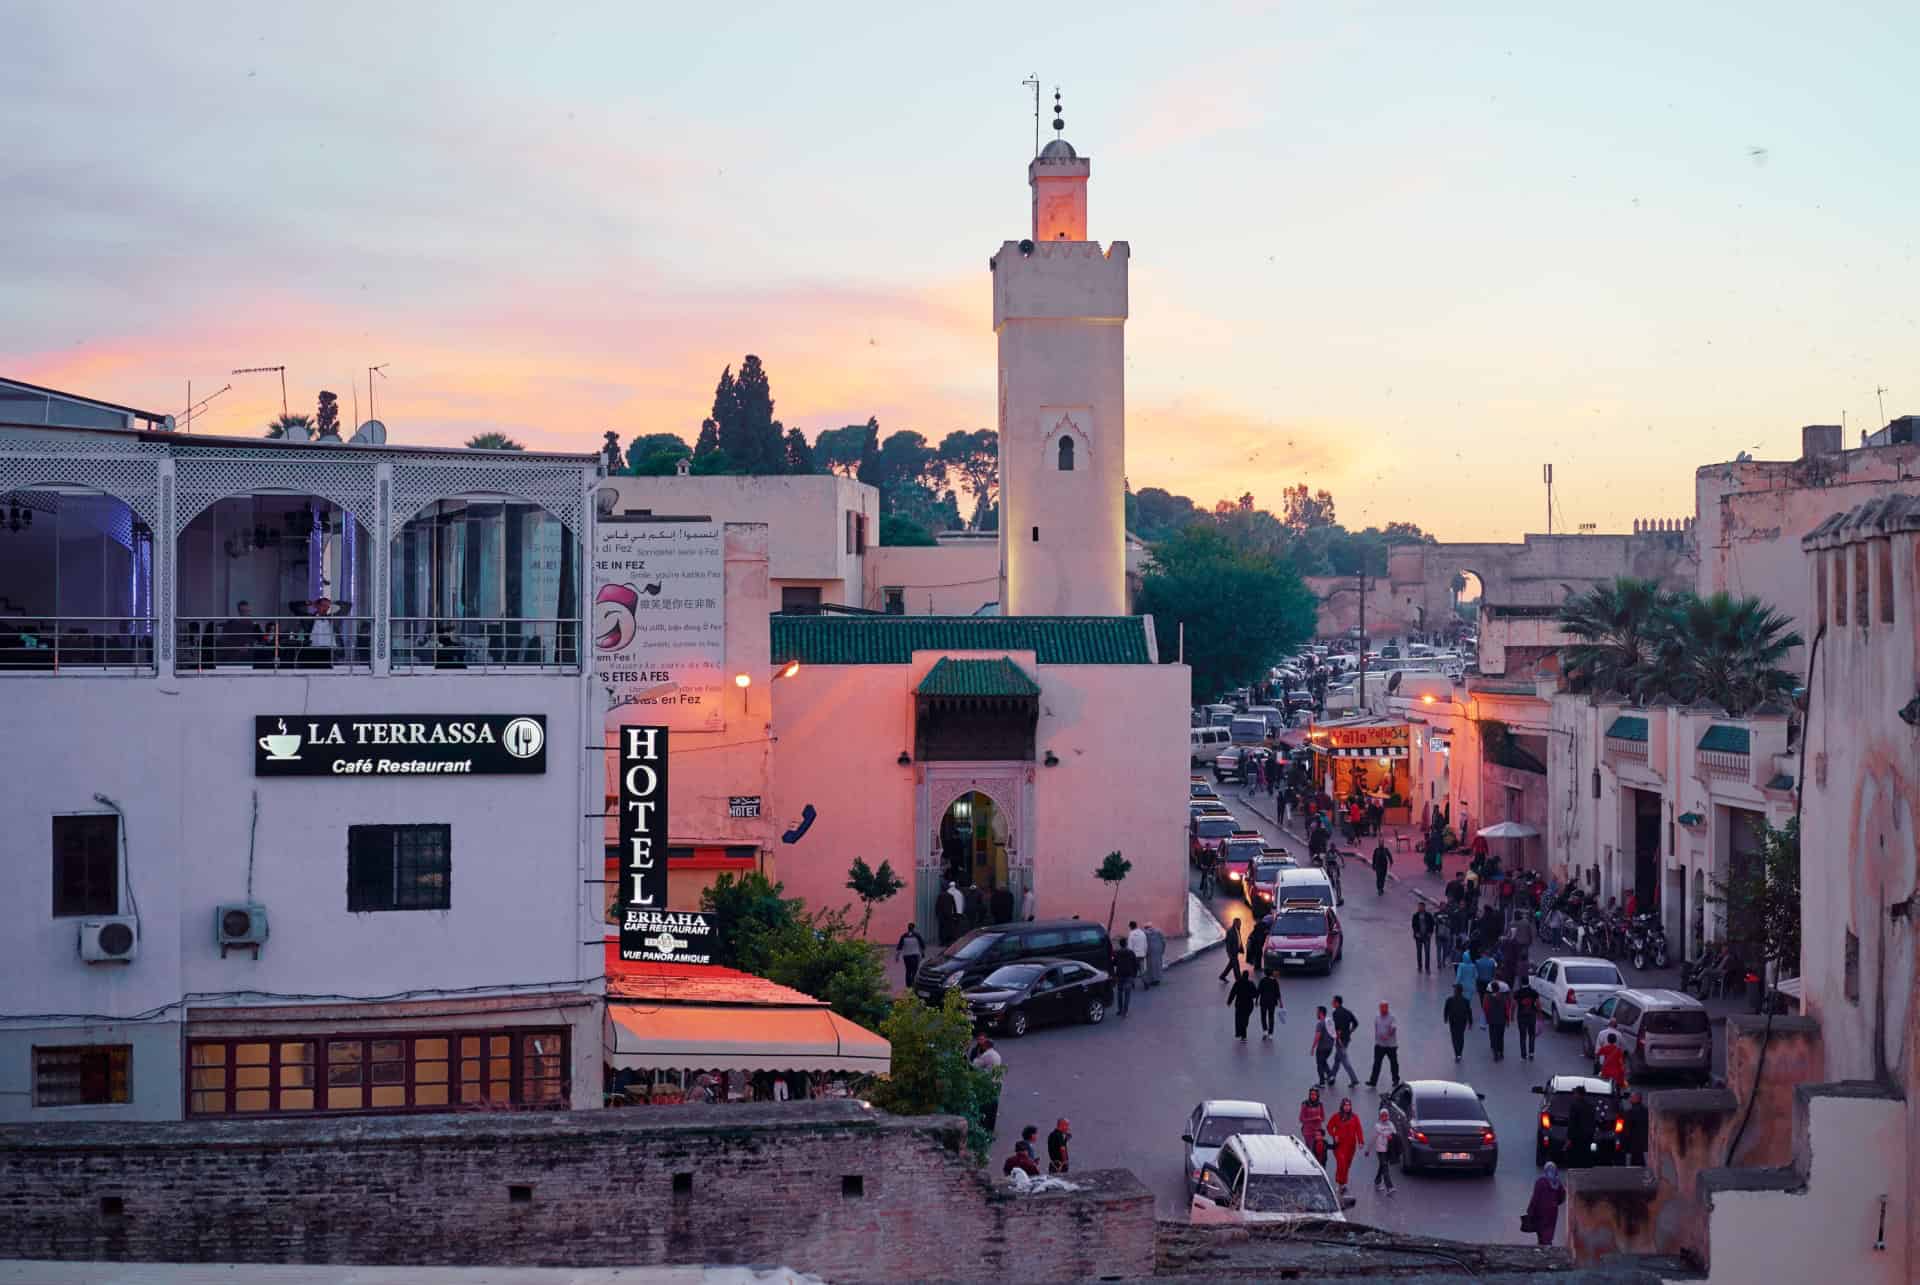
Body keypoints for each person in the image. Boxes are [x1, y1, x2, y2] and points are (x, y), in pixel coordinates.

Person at [1326, 1098, 1364, 1199]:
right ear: (1342, 1106)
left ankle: (1343, 1183)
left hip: (1351, 1146)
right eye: (1345, 1105)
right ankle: (1339, 1183)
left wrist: (1360, 1141)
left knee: (1347, 1165)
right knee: (1341, 1163)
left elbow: (1359, 1129)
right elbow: (1329, 1127)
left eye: (1349, 1105)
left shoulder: (1354, 1117)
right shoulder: (1336, 1116)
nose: (1347, 1107)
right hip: (1339, 1146)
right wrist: (1334, 1135)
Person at [1525, 1163, 1566, 1245]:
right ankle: (1548, 1243)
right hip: (1553, 1211)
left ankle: (1543, 1245)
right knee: (1550, 1228)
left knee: (1541, 1229)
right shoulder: (1557, 1182)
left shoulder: (1540, 1181)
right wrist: (1555, 1203)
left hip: (1540, 1211)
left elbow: (1535, 1198)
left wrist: (1530, 1210)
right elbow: (1562, 1197)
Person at [970, 1034, 1003, 1132]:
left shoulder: (986, 1055)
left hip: (988, 1083)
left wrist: (978, 1056)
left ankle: (985, 1127)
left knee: (986, 1107)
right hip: (997, 1082)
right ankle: (991, 1127)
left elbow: (975, 1065)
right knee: (993, 1106)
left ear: (985, 1046)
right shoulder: (996, 1054)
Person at [1366, 1001, 1401, 1089]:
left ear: (1387, 1008)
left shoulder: (1392, 1017)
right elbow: (1376, 1027)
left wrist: (1387, 1035)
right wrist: (1377, 1039)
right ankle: (1373, 1081)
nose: (1382, 1009)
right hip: (1379, 1045)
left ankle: (1395, 1080)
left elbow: (1393, 1028)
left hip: (1391, 1046)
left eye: (1384, 1007)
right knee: (1377, 1063)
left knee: (1393, 1063)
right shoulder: (1377, 1016)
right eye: (1381, 1007)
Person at [1328, 996, 1361, 1089]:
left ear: (1337, 1003)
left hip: (1340, 1040)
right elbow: (1356, 1023)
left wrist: (1338, 1039)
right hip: (1346, 1039)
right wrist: (1350, 1031)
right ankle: (1331, 1076)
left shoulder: (1335, 1013)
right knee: (1337, 1059)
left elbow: (1337, 1028)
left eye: (1333, 1002)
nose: (1332, 1003)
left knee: (1344, 1060)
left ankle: (1354, 1079)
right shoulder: (1348, 1012)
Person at [1565, 1085, 1597, 1168]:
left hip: (1577, 1138)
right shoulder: (1591, 1106)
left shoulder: (1574, 1106)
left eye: (1575, 1093)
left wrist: (1569, 1138)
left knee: (1575, 1158)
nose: (1574, 1095)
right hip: (1588, 1137)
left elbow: (1572, 1123)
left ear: (1578, 1094)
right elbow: (1593, 1122)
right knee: (1586, 1156)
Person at [1443, 983, 1475, 1062]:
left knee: (1454, 1037)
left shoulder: (1449, 1000)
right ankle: (1459, 1053)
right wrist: (1470, 1022)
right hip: (1462, 1021)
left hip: (1453, 1021)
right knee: (1460, 1036)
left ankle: (1457, 1053)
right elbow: (1469, 1012)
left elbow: (1446, 1010)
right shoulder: (1466, 1001)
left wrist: (1445, 1018)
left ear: (1455, 991)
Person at [1483, 979, 1512, 1061]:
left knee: (1493, 1036)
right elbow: (1507, 1009)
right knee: (1500, 1036)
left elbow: (1485, 1008)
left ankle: (1495, 1054)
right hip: (1501, 1020)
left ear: (1492, 989)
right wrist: (1507, 1020)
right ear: (1498, 988)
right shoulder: (1503, 997)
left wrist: (1487, 1017)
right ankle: (1501, 1052)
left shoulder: (1487, 998)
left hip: (1492, 1020)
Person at [1298, 1087, 1327, 1164]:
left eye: (1315, 1094)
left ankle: (1319, 1165)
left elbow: (1323, 1118)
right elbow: (1301, 1119)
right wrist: (1313, 1119)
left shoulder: (1320, 1104)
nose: (1313, 1096)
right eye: (1311, 1094)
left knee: (1319, 1151)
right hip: (1308, 1132)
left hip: (1318, 1132)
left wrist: (1319, 1119)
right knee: (1311, 1150)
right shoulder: (1305, 1104)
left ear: (1318, 1095)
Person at [1372, 1106, 1397, 1194]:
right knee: (1385, 1167)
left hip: (1388, 1149)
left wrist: (1391, 1135)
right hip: (1380, 1150)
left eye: (1386, 1115)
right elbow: (1380, 1134)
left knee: (1382, 1166)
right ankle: (1389, 1187)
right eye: (1382, 1116)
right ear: (1380, 1116)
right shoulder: (1377, 1125)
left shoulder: (1391, 1124)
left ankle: (1377, 1181)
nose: (1384, 1117)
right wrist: (1388, 1134)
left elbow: (1394, 1133)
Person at [1227, 970, 1259, 1041]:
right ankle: (1244, 1035)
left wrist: (1229, 1001)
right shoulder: (1251, 984)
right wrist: (1251, 996)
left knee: (1238, 1019)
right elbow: (1256, 994)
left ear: (1242, 975)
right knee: (1245, 1019)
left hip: (1239, 1004)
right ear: (1248, 976)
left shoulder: (1238, 983)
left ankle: (1239, 1033)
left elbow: (1233, 993)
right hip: (1248, 1005)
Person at [1514, 982, 1542, 1061]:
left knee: (1522, 1036)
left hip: (1521, 1016)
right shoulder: (1534, 992)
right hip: (1531, 1016)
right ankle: (1531, 1053)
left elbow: (1514, 1004)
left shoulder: (1518, 993)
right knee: (1532, 1035)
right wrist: (1539, 1015)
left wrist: (1511, 1016)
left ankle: (1523, 1056)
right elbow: (1538, 1004)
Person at [1596, 1029, 1629, 1094]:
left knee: (1606, 1081)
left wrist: (1597, 1061)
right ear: (1615, 1040)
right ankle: (1618, 1091)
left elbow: (1598, 1054)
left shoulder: (1604, 1048)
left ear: (1608, 1040)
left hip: (1607, 1069)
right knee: (1619, 1080)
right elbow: (1621, 1060)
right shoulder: (1618, 1050)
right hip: (1616, 1069)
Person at [1622, 1090, 1650, 1167]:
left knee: (1635, 1163)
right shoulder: (1647, 1112)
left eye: (1632, 1097)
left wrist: (1624, 1142)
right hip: (1643, 1142)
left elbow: (1626, 1129)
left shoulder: (1629, 1113)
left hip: (1633, 1142)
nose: (1630, 1099)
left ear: (1636, 1099)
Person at [894, 923, 926, 988]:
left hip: (906, 956)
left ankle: (908, 985)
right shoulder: (917, 935)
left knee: (908, 970)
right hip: (915, 956)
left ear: (908, 928)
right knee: (914, 970)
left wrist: (897, 957)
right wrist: (922, 954)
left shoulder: (903, 936)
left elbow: (899, 947)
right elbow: (922, 946)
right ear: (914, 928)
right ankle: (913, 983)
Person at [1112, 938, 1138, 1017]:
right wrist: (1134, 975)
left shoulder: (1117, 953)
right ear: (1126, 944)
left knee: (1119, 993)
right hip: (1129, 975)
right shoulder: (1131, 952)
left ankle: (1120, 1010)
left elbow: (1114, 963)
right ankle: (1125, 1011)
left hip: (1119, 975)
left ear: (1120, 944)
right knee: (1127, 994)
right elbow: (1135, 964)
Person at [1311, 1005, 1336, 1085]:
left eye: (1317, 1012)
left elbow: (1317, 1036)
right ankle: (1330, 1076)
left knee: (1319, 1064)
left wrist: (1313, 1047)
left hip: (1322, 1047)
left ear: (1321, 1013)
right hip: (1330, 1047)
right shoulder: (1329, 1021)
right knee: (1323, 1061)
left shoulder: (1320, 1024)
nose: (1316, 1014)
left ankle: (1321, 1082)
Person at [1411, 901, 1436, 973]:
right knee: (1419, 952)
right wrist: (1416, 933)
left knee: (1427, 952)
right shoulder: (1415, 915)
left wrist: (1430, 933)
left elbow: (1432, 924)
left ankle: (1427, 967)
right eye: (1419, 907)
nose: (1419, 908)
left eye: (1421, 907)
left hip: (1426, 936)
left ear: (1424, 907)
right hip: (1419, 937)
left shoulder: (1428, 915)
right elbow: (1414, 925)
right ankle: (1419, 966)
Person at [1257, 968, 1282, 1039]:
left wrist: (1256, 1001)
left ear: (1265, 973)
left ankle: (1265, 1031)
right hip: (1272, 1002)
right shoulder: (1274, 981)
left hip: (1263, 1002)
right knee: (1271, 1017)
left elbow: (1259, 991)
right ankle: (1271, 1033)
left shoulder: (1262, 981)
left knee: (1263, 1016)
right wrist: (1281, 1002)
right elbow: (1278, 993)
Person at [1218, 918, 1244, 983]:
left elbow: (1238, 939)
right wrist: (1230, 953)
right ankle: (1239, 980)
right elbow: (1228, 943)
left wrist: (1240, 948)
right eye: (1239, 923)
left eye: (1240, 923)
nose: (1240, 924)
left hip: (1235, 951)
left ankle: (1222, 976)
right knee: (1236, 966)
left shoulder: (1237, 929)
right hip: (1232, 953)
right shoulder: (1230, 931)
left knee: (1231, 965)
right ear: (1235, 924)